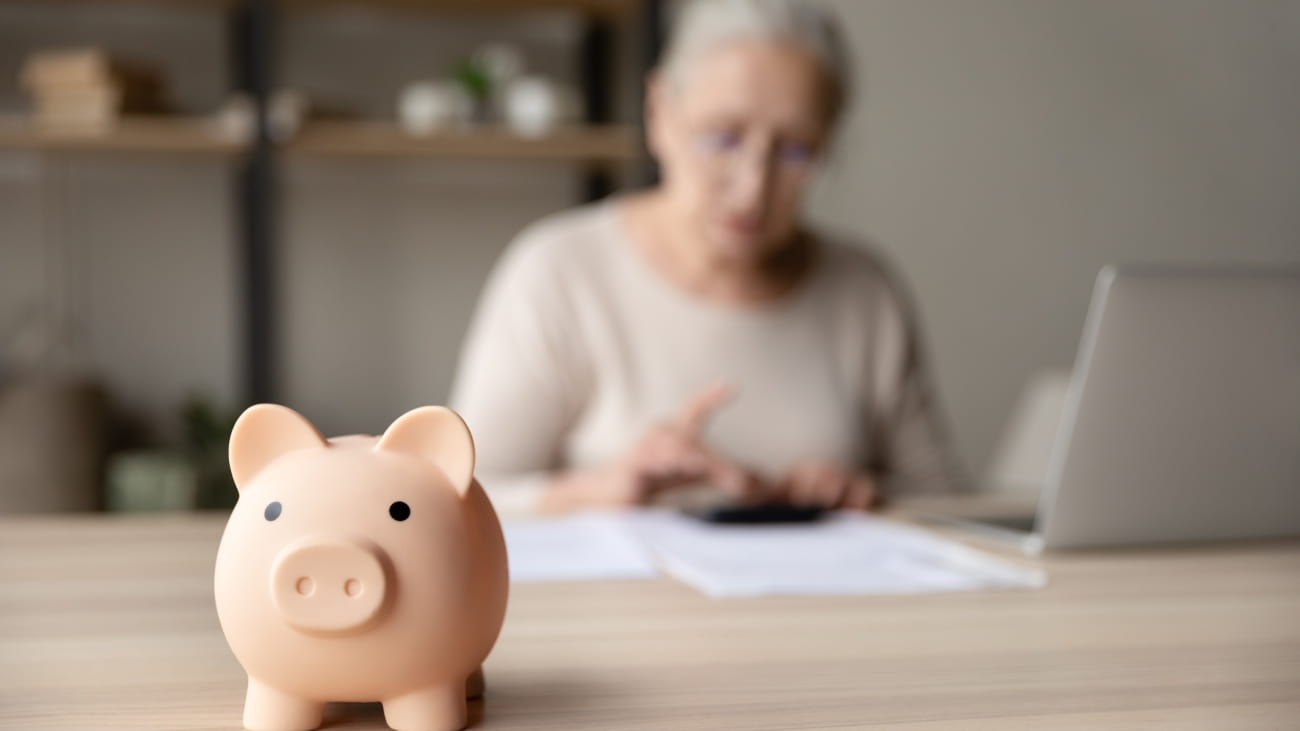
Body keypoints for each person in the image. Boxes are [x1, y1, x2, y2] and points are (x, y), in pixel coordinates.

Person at [450, 0, 965, 514]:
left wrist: (862, 495)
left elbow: (948, 506)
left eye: (795, 151)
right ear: (659, 113)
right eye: (722, 137)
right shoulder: (558, 273)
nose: (752, 188)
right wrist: (600, 490)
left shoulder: (866, 290)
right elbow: (453, 497)